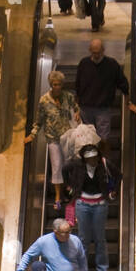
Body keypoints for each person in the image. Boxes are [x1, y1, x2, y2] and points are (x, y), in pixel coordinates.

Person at [22, 70, 80, 208]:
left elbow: (76, 107)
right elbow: (39, 120)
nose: (57, 87)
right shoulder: (44, 100)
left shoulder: (68, 96)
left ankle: (70, 189)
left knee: (69, 164)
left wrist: (77, 112)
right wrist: (32, 135)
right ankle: (58, 196)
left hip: (67, 136)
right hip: (53, 138)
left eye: (59, 84)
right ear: (51, 84)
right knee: (56, 167)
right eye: (55, 84)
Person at [75, 36, 136, 144]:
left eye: (98, 52)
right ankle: (89, 160)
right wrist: (76, 107)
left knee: (103, 138)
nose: (96, 55)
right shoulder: (84, 63)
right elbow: (78, 86)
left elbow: (123, 84)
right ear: (90, 51)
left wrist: (128, 102)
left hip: (103, 108)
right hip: (85, 107)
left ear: (103, 50)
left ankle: (102, 160)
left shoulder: (112, 64)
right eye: (94, 52)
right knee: (86, 139)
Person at [63, 141, 112, 271]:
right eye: (90, 158)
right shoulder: (78, 166)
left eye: (95, 157)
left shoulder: (103, 164)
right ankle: (81, 268)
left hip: (100, 204)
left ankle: (102, 267)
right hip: (83, 203)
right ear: (85, 159)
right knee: (83, 238)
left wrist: (112, 191)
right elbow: (65, 169)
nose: (93, 160)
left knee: (99, 237)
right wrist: (69, 186)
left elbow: (118, 175)